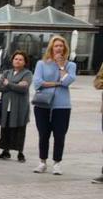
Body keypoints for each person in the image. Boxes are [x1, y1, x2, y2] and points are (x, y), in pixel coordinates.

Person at [31, 35, 76, 175]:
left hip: (62, 106)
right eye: (56, 46)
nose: (58, 48)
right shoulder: (41, 63)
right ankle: (42, 162)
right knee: (43, 133)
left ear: (65, 49)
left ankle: (57, 163)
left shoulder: (70, 65)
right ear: (51, 47)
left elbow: (68, 81)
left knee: (59, 134)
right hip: (43, 104)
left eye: (61, 46)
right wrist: (57, 83)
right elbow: (37, 83)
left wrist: (61, 66)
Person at [0, 50, 33, 162]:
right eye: (16, 59)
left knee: (20, 128)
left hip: (20, 106)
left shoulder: (27, 73)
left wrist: (9, 84)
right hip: (6, 105)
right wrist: (15, 85)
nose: (18, 61)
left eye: (21, 59)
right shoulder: (7, 72)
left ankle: (20, 153)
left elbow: (24, 88)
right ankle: (5, 151)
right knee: (5, 127)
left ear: (25, 62)